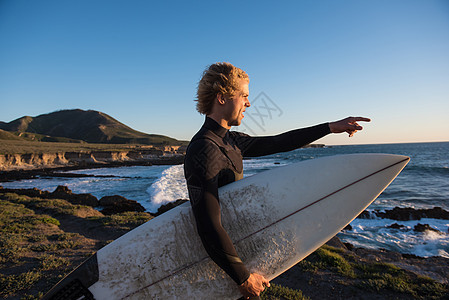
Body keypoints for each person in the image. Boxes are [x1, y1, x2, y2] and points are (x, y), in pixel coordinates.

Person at [183, 62, 370, 299]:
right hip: (225, 270)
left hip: (236, 258)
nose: (248, 104)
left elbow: (278, 141)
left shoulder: (230, 141)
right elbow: (208, 224)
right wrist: (242, 277)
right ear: (222, 98)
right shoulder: (204, 149)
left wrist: (331, 127)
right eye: (244, 96)